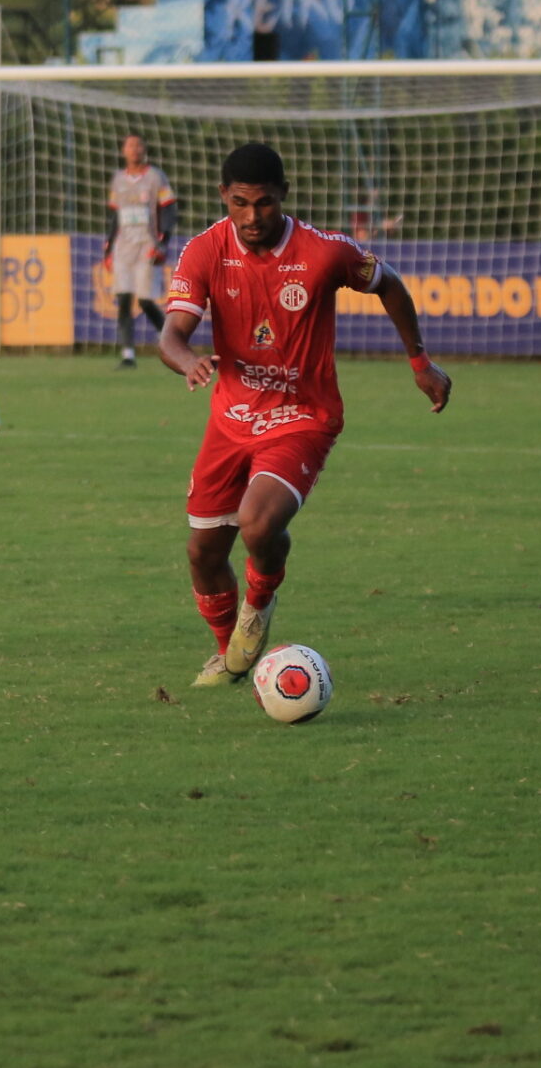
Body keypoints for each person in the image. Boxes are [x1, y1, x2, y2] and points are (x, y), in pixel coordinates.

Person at [159, 141, 451, 688]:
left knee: (258, 521)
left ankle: (261, 601)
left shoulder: (323, 252)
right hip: (229, 419)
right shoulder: (203, 251)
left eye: (263, 203)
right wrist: (188, 361)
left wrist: (419, 360)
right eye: (239, 203)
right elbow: (171, 336)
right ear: (224, 196)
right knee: (202, 552)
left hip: (302, 415)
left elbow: (388, 283)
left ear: (283, 197)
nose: (251, 217)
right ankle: (230, 654)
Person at [104, 133, 177, 367]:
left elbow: (168, 209)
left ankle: (171, 341)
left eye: (138, 145)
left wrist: (163, 242)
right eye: (130, 146)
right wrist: (108, 248)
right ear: (123, 151)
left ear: (144, 149)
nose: (134, 149)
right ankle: (128, 355)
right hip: (123, 247)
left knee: (145, 300)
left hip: (147, 245)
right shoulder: (118, 180)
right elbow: (115, 215)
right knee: (123, 298)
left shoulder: (156, 177)